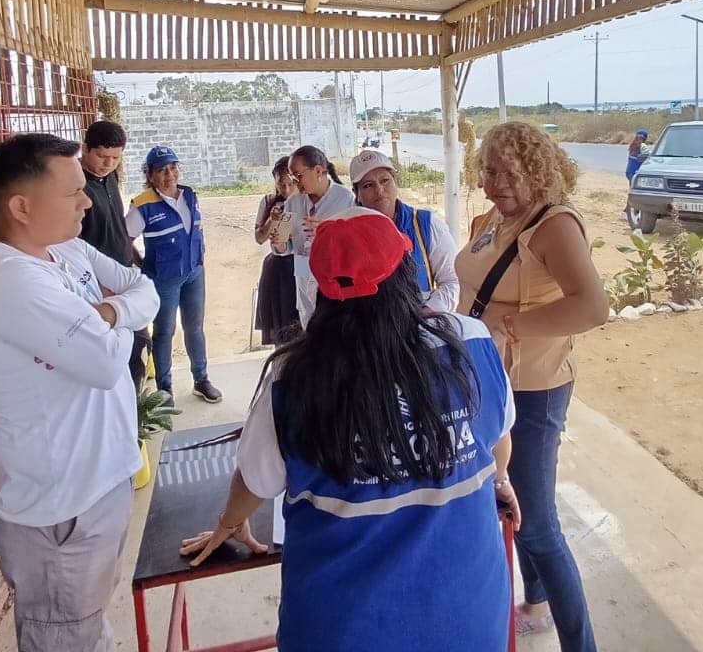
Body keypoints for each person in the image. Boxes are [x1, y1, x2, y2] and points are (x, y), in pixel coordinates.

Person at [180, 208, 519, 651]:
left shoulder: (293, 377)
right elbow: (499, 438)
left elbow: (256, 479)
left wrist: (230, 522)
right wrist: (499, 479)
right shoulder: (470, 341)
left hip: (342, 629)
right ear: (405, 275)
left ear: (321, 289)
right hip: (469, 623)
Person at [0, 133, 160, 652]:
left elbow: (146, 289)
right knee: (65, 633)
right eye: (73, 193)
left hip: (98, 487)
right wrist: (118, 325)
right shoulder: (8, 281)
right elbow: (106, 364)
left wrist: (106, 314)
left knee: (85, 624)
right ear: (21, 207)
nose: (88, 202)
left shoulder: (64, 249)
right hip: (64, 511)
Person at [455, 121, 609, 652]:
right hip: (490, 378)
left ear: (536, 169)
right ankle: (536, 601)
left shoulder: (553, 225)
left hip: (532, 390)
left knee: (539, 526)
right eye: (487, 170)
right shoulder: (495, 218)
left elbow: (592, 307)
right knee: (513, 499)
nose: (492, 182)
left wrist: (509, 327)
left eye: (506, 171)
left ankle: (581, 644)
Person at [126, 146, 221, 403]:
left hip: (194, 273)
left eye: (173, 168)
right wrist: (142, 263)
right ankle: (165, 388)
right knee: (164, 332)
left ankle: (201, 379)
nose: (169, 175)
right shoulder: (143, 204)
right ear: (150, 175)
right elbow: (125, 239)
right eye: (161, 170)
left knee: (195, 328)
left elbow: (196, 230)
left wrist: (200, 256)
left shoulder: (189, 195)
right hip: (163, 278)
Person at [78, 119, 151, 391]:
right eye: (101, 156)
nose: (108, 163)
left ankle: (137, 405)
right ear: (85, 148)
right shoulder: (76, 187)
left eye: (115, 158)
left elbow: (116, 224)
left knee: (139, 344)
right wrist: (99, 287)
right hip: (99, 286)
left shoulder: (110, 177)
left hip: (123, 274)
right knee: (115, 352)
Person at [348, 148, 459, 312]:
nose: (379, 191)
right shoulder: (347, 235)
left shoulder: (426, 225)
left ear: (395, 182)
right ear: (356, 193)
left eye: (385, 181)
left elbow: (453, 282)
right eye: (368, 185)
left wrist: (425, 313)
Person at [278, 145, 354, 327]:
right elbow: (282, 242)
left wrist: (329, 233)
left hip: (335, 281)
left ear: (318, 171)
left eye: (298, 176)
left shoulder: (347, 200)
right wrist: (279, 243)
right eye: (292, 176)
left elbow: (354, 245)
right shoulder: (292, 203)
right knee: (309, 329)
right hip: (304, 279)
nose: (295, 182)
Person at [254, 156, 301, 345]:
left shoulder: (306, 202)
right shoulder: (269, 202)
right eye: (282, 185)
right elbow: (259, 238)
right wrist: (272, 220)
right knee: (281, 330)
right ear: (275, 180)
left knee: (303, 328)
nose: (287, 190)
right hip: (278, 271)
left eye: (291, 184)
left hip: (301, 267)